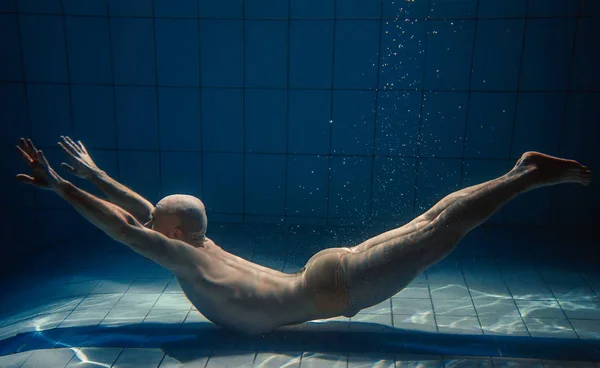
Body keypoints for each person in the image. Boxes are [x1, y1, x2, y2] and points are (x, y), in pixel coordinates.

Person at [15, 136, 592, 335]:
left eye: (154, 225)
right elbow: (141, 208)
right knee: (430, 225)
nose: (147, 225)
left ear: (170, 232)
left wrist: (62, 188)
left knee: (440, 232)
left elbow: (123, 223)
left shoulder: (183, 259)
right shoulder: (197, 242)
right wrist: (95, 175)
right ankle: (521, 172)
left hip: (332, 290)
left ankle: (527, 176)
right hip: (324, 273)